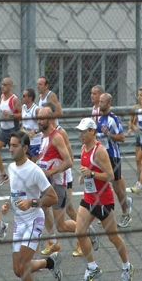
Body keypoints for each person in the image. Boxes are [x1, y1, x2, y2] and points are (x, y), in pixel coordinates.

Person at [75, 117, 135, 281]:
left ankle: (127, 266)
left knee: (113, 237)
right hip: (88, 198)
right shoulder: (83, 148)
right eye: (79, 131)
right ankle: (92, 267)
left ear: (92, 131)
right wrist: (84, 177)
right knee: (79, 232)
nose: (80, 134)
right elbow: (88, 170)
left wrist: (92, 174)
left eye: (83, 131)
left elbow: (110, 176)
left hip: (103, 200)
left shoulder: (99, 150)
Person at [1, 131, 62, 281]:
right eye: (10, 145)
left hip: (34, 220)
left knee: (22, 267)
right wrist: (8, 204)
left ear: (25, 148)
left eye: (15, 146)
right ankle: (49, 262)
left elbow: (53, 197)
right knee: (17, 270)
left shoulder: (35, 170)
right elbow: (15, 191)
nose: (10, 149)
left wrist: (32, 202)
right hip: (19, 222)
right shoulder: (11, 168)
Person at [39, 102, 86, 257]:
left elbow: (69, 160)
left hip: (58, 183)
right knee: (42, 209)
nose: (38, 121)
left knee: (62, 225)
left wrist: (51, 171)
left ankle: (85, 231)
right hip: (45, 183)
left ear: (50, 119)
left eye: (41, 119)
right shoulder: (42, 136)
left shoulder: (57, 136)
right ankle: (53, 241)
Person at [97, 93, 133, 228]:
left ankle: (126, 214)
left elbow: (122, 138)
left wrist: (108, 134)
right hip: (102, 157)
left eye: (102, 101)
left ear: (108, 104)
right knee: (103, 186)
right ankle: (106, 213)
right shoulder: (99, 119)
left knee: (117, 188)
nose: (99, 104)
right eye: (99, 101)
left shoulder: (113, 119)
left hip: (113, 156)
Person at [0, 77, 22, 186]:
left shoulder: (14, 99)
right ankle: (3, 174)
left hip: (12, 130)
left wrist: (10, 115)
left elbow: (22, 114)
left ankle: (19, 174)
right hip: (3, 130)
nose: (2, 87)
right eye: (2, 84)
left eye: (5, 85)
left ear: (10, 86)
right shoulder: (2, 97)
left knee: (16, 154)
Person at [128, 86, 142, 176]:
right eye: (138, 95)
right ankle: (139, 178)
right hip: (139, 136)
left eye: (141, 95)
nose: (139, 97)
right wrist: (130, 128)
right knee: (138, 159)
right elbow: (131, 119)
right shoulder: (135, 108)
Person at [21, 88, 41, 163]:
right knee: (25, 163)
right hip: (27, 141)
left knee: (33, 165)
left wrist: (35, 131)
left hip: (36, 142)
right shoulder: (23, 107)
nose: (22, 98)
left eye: (24, 96)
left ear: (30, 98)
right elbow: (24, 122)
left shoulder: (36, 110)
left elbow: (44, 125)